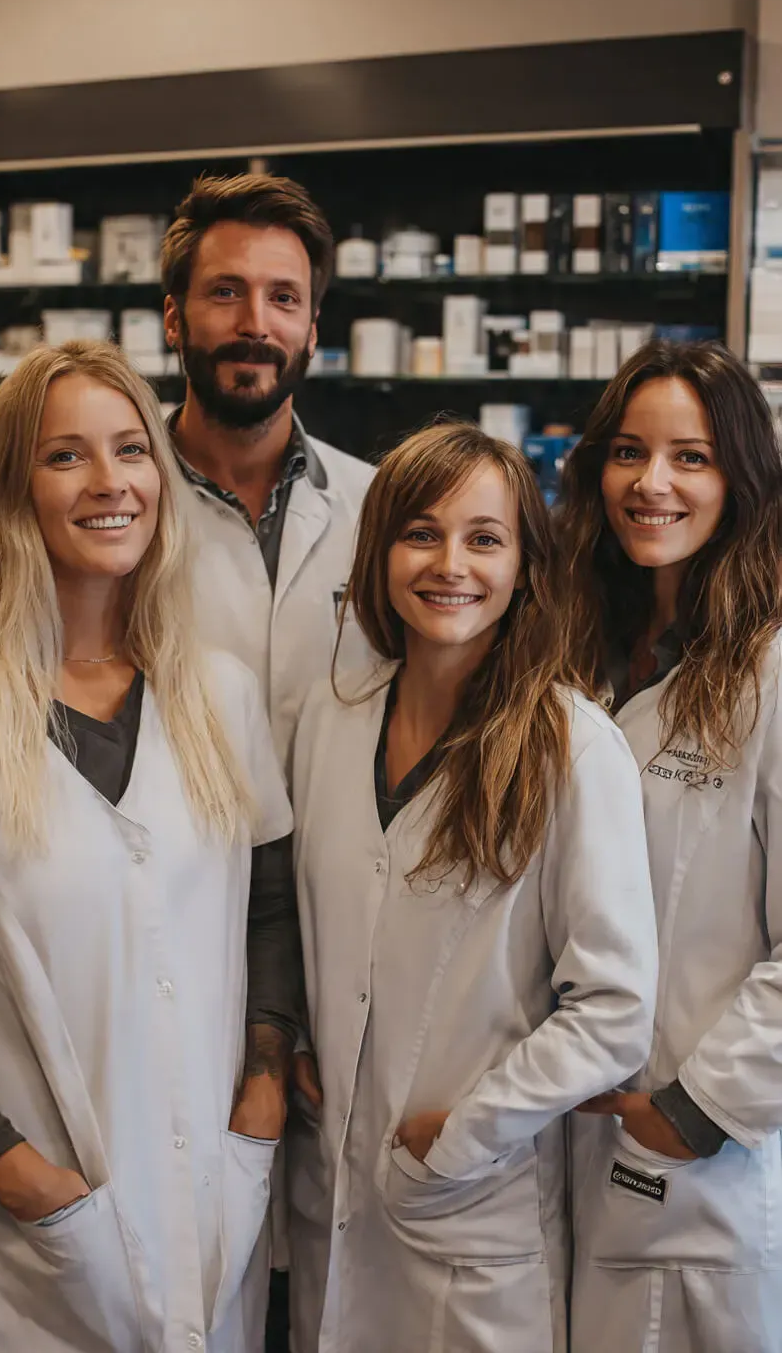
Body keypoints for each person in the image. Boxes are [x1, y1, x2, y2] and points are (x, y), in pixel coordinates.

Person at [286, 422, 658, 1353]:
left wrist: (464, 1134)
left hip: (471, 1216)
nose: (451, 563)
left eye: (485, 539)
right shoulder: (329, 723)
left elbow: (613, 1012)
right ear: (378, 556)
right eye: (421, 532)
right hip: (329, 1200)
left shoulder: (572, 747)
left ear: (528, 565)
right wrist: (294, 1033)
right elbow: (313, 929)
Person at [0, 341, 300, 1353]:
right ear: (10, 488)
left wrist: (264, 1078)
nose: (112, 483)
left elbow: (272, 906)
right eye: (67, 457)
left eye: (132, 450)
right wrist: (5, 1164)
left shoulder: (219, 694)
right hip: (27, 1234)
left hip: (213, 1192)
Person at [558, 341, 782, 1353]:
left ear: (741, 477)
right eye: (628, 452)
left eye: (690, 458)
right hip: (561, 1148)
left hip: (698, 1171)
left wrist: (695, 1109)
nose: (651, 484)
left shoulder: (770, 669)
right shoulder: (572, 646)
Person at [161, 171, 374, 773]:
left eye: (283, 297)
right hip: (174, 855)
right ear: (174, 319)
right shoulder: (116, 506)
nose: (255, 323)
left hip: (338, 852)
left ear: (310, 333)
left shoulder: (379, 505)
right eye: (226, 292)